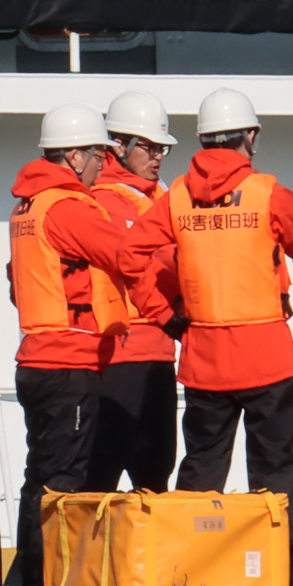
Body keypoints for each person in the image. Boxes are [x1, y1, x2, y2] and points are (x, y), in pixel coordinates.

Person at [121, 89, 293, 586]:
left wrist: (165, 316)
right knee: (277, 470)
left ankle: (189, 575)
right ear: (250, 138)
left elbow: (130, 256)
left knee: (201, 471)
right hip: (268, 359)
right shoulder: (268, 194)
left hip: (204, 361)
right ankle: (288, 583)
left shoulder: (174, 198)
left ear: (200, 140)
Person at [7, 104, 134, 586]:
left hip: (34, 361)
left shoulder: (26, 208)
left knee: (37, 476)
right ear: (75, 154)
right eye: (98, 154)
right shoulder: (68, 207)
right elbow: (124, 251)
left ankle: (34, 585)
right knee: (64, 482)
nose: (104, 164)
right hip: (68, 363)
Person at [85, 90, 181, 493]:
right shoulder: (98, 203)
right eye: (148, 146)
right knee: (100, 476)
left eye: (162, 148)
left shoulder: (167, 198)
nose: (157, 155)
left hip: (161, 354)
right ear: (117, 146)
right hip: (118, 358)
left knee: (156, 474)